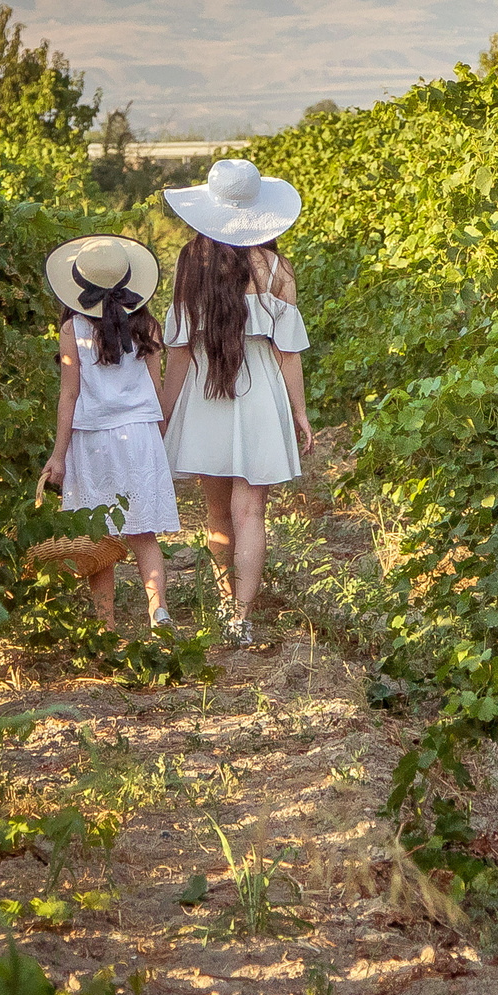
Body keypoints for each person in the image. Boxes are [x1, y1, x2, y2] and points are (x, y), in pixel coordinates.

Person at [158, 158, 313, 648]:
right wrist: (300, 413)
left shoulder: (191, 263)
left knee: (216, 512)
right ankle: (241, 617)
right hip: (260, 394)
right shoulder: (275, 269)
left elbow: (179, 350)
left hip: (207, 392)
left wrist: (164, 413)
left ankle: (225, 602)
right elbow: (287, 354)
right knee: (252, 513)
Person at [40, 234, 177, 629]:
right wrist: (163, 437)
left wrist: (58, 455)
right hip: (139, 435)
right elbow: (156, 388)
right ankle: (159, 611)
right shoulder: (146, 325)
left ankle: (106, 626)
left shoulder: (73, 330)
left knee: (98, 536)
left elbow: (69, 396)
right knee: (142, 532)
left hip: (94, 439)